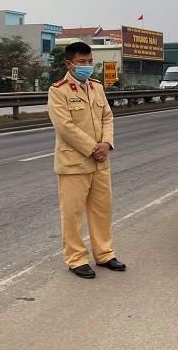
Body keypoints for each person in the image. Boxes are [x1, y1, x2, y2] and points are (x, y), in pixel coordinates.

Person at [47, 41, 126, 279]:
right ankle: (76, 259)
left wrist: (106, 144)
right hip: (74, 164)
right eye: (82, 62)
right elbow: (65, 127)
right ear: (69, 64)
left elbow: (107, 117)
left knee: (102, 210)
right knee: (72, 214)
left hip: (100, 162)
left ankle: (104, 254)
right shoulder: (58, 90)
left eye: (90, 61)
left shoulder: (96, 87)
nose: (87, 66)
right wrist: (94, 148)